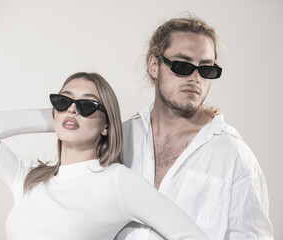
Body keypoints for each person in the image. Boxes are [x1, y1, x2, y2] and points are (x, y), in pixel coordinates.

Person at [0, 72, 209, 240]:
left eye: (87, 105)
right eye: (63, 100)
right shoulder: (27, 177)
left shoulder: (117, 181)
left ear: (107, 126)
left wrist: (67, 116)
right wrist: (60, 117)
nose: (72, 108)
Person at [116, 17, 274, 240]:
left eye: (206, 69)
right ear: (154, 65)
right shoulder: (120, 139)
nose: (195, 78)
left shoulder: (232, 155)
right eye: (182, 65)